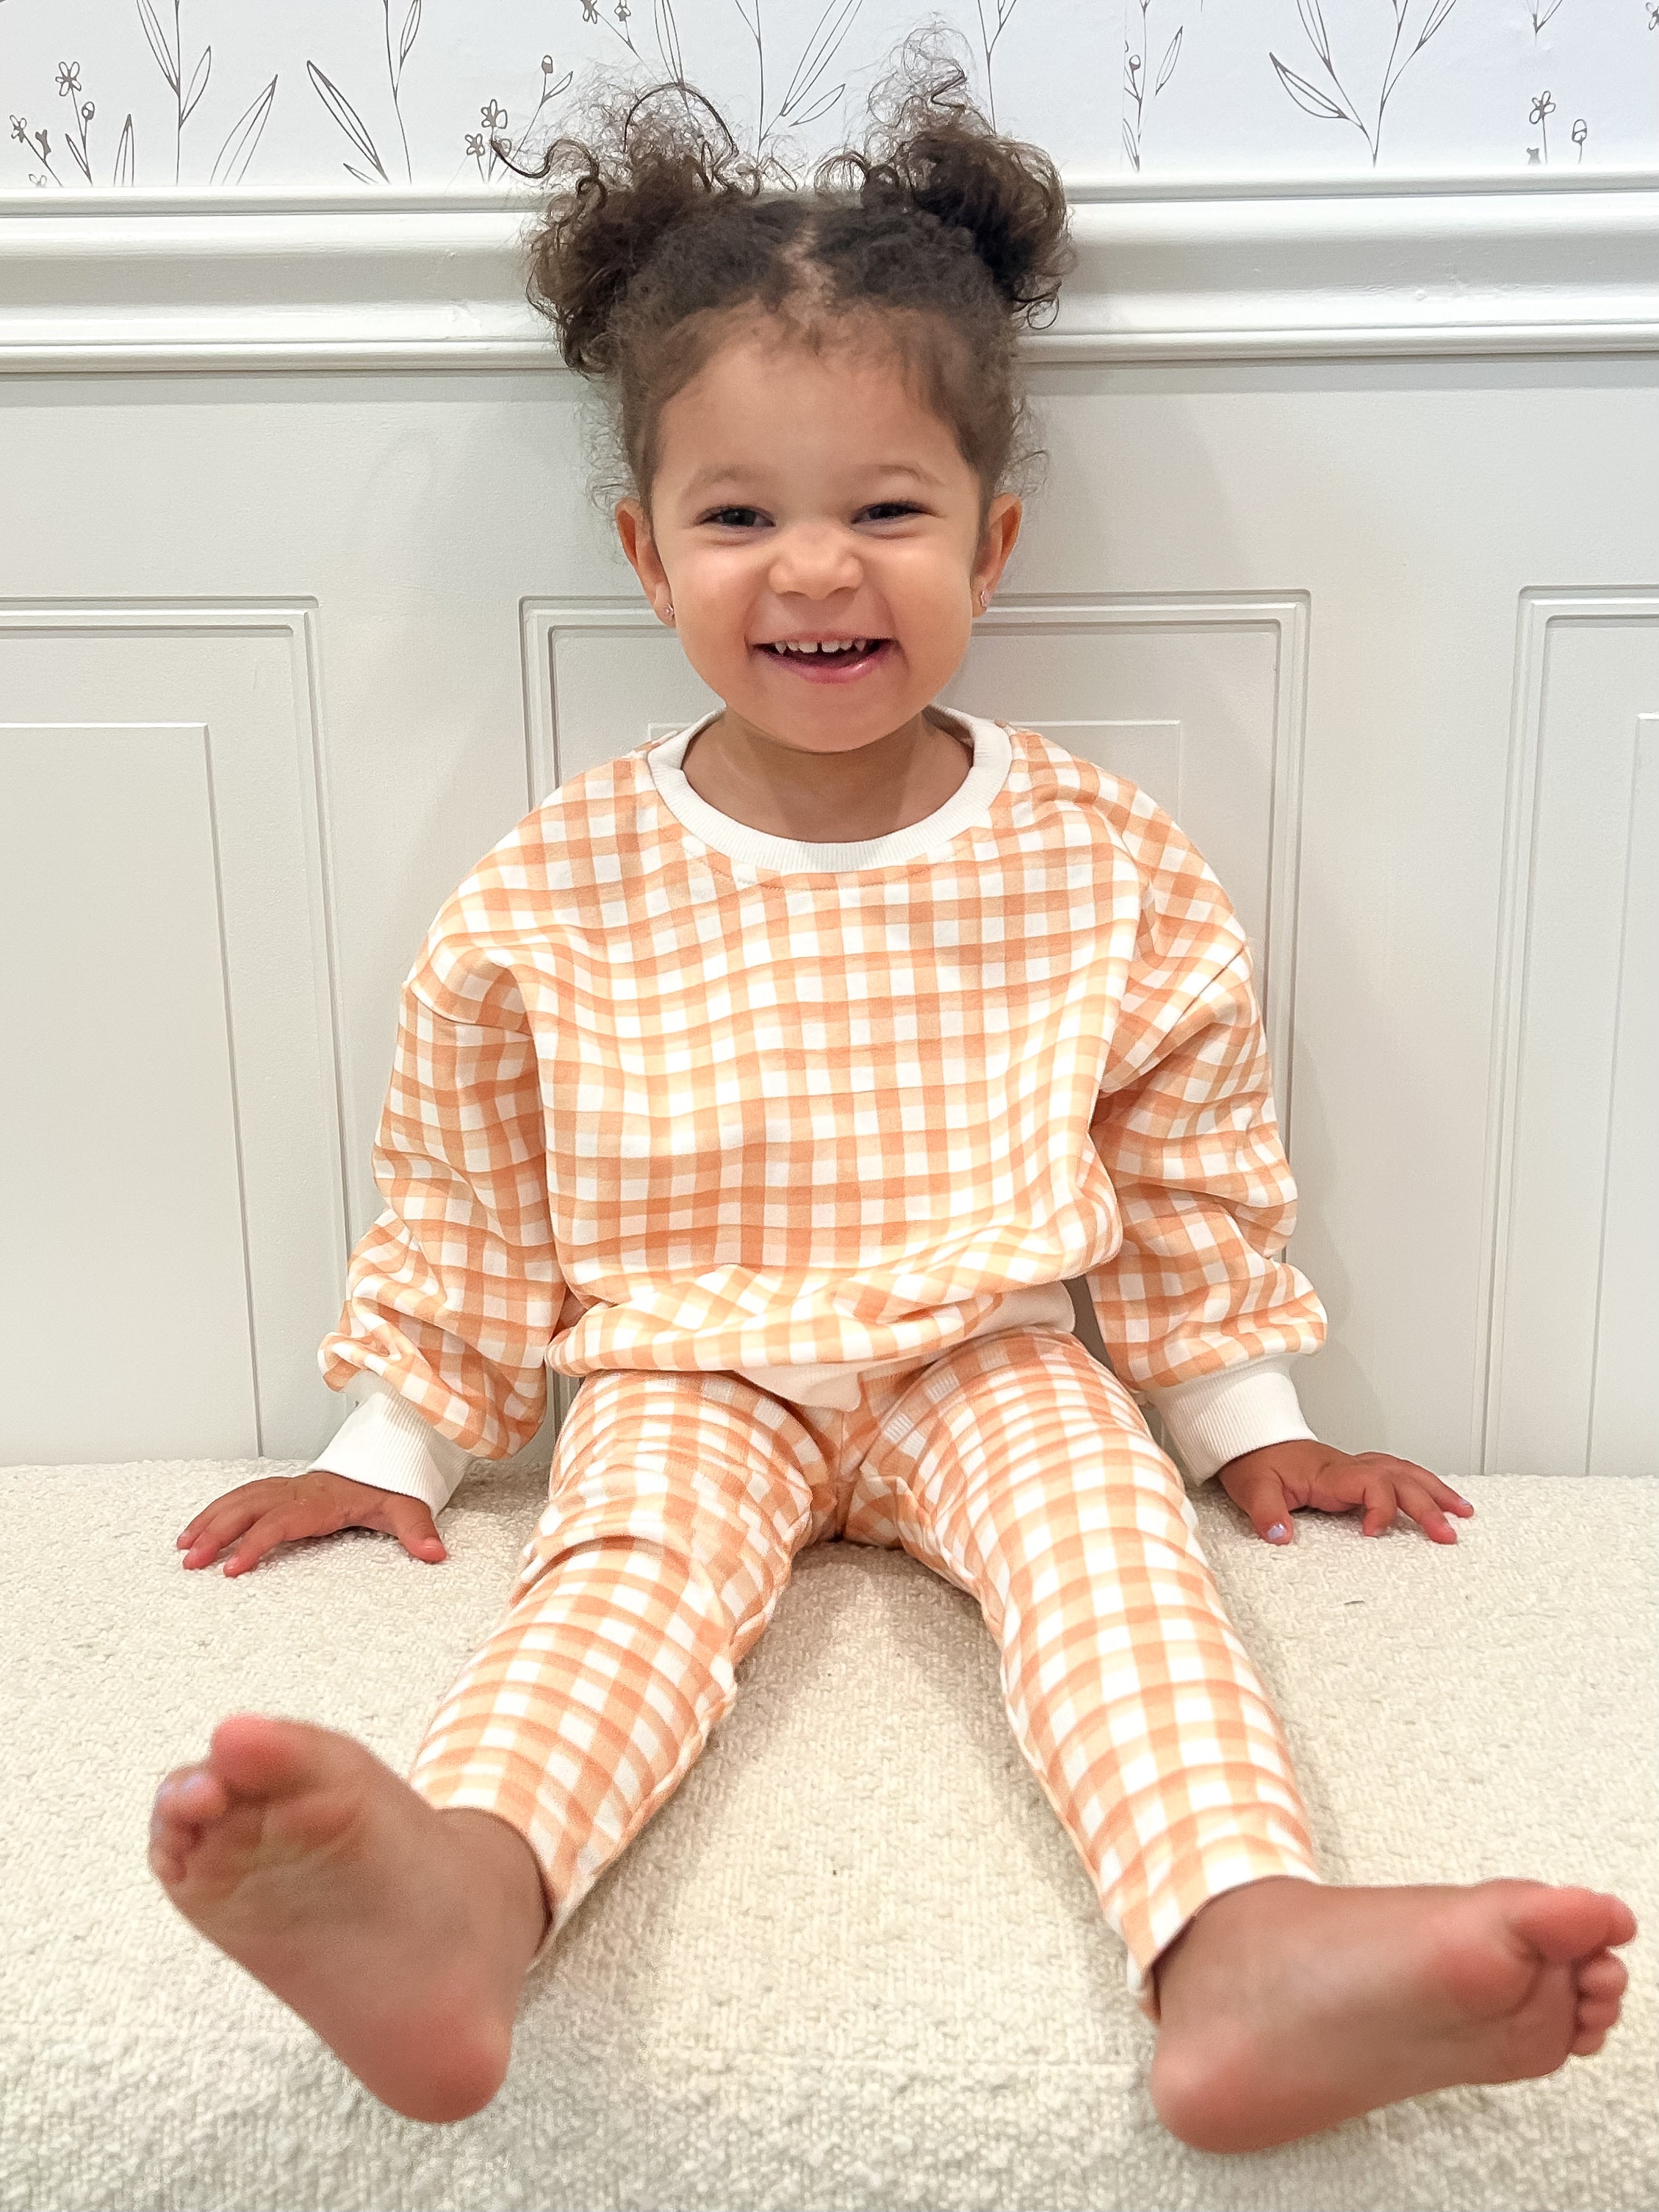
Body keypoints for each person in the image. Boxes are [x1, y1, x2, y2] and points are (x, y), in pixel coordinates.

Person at [147, 32, 1635, 2154]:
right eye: (739, 515)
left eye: (885, 509)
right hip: (688, 1359)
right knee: (618, 1582)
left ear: (991, 538)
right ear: (646, 555)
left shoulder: (1098, 853)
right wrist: (387, 1435)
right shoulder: (552, 883)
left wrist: (1252, 1426)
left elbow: (1185, 1172)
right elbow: (467, 1190)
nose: (816, 567)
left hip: (986, 1348)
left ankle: (1240, 1943)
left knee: (1109, 1552)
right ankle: (460, 1902)